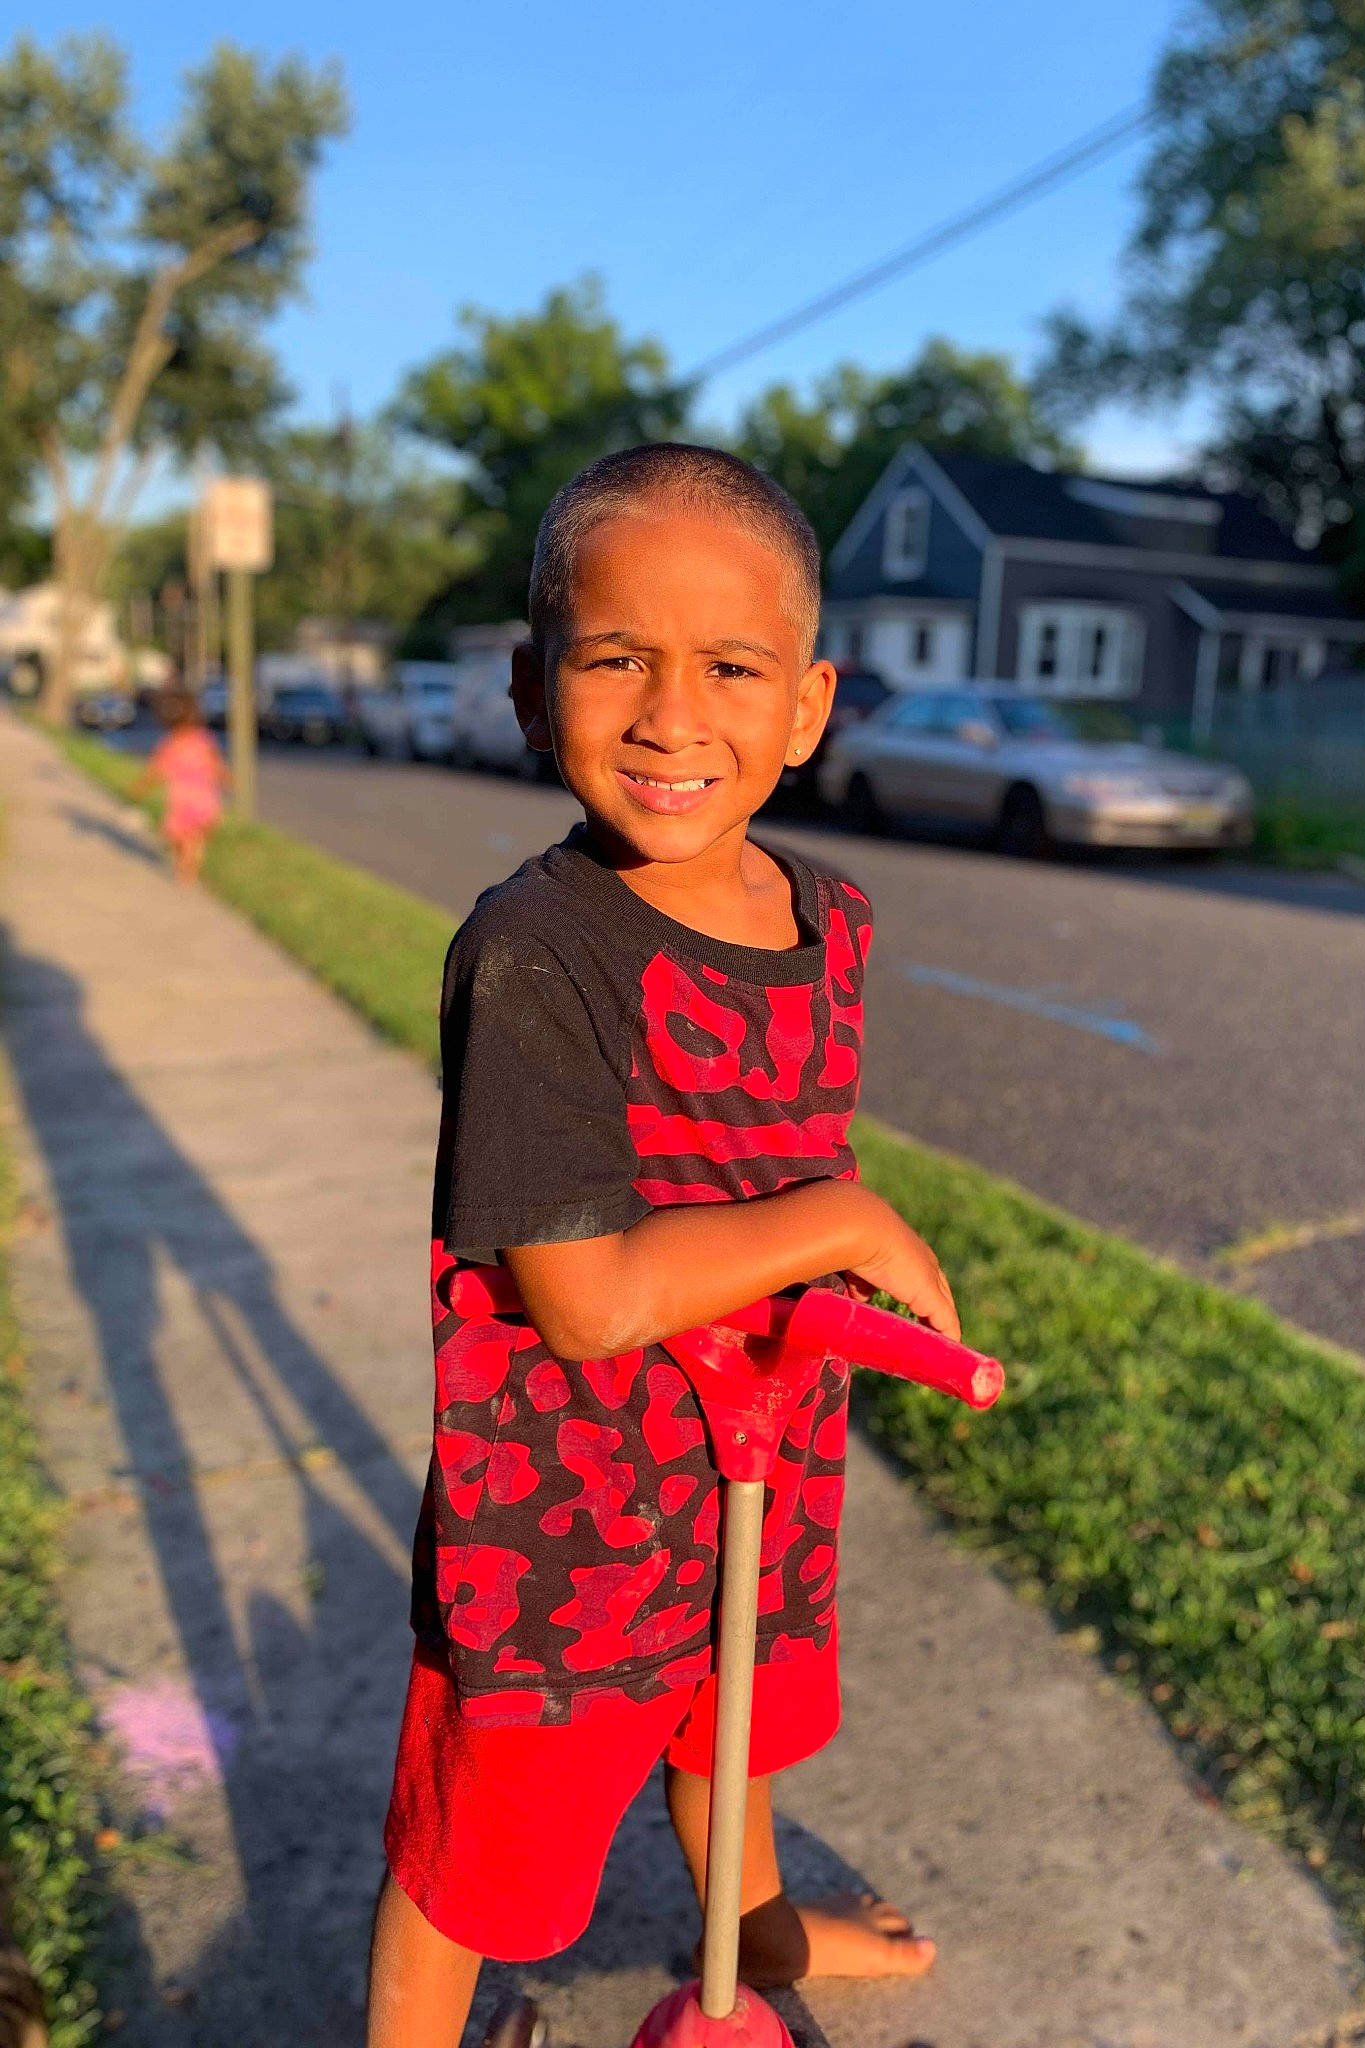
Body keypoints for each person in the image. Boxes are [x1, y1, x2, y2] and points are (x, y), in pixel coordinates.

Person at [368, 444, 960, 2048]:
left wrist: (811, 1271)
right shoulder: (537, 953)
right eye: (616, 657)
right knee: (479, 1860)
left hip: (756, 1459)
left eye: (732, 667)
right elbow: (586, 1294)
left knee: (733, 1726)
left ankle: (754, 1937)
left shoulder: (826, 922)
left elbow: (757, 1148)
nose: (671, 714)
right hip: (562, 1516)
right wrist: (835, 1222)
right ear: (526, 683)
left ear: (811, 704)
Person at [134, 685, 228, 883]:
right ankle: (191, 861)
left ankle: (185, 865)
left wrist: (142, 786)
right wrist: (224, 776)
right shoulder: (201, 739)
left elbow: (156, 769)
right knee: (196, 835)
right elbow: (215, 762)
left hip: (182, 798)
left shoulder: (171, 743)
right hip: (203, 797)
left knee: (180, 835)